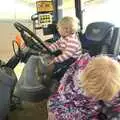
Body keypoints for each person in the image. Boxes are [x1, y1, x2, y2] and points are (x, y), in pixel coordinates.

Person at [47, 54, 120, 120]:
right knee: (54, 112)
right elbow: (68, 74)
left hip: (87, 108)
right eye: (92, 92)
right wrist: (62, 86)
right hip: (66, 97)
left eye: (98, 95)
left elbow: (115, 108)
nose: (93, 94)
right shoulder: (82, 63)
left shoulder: (113, 88)